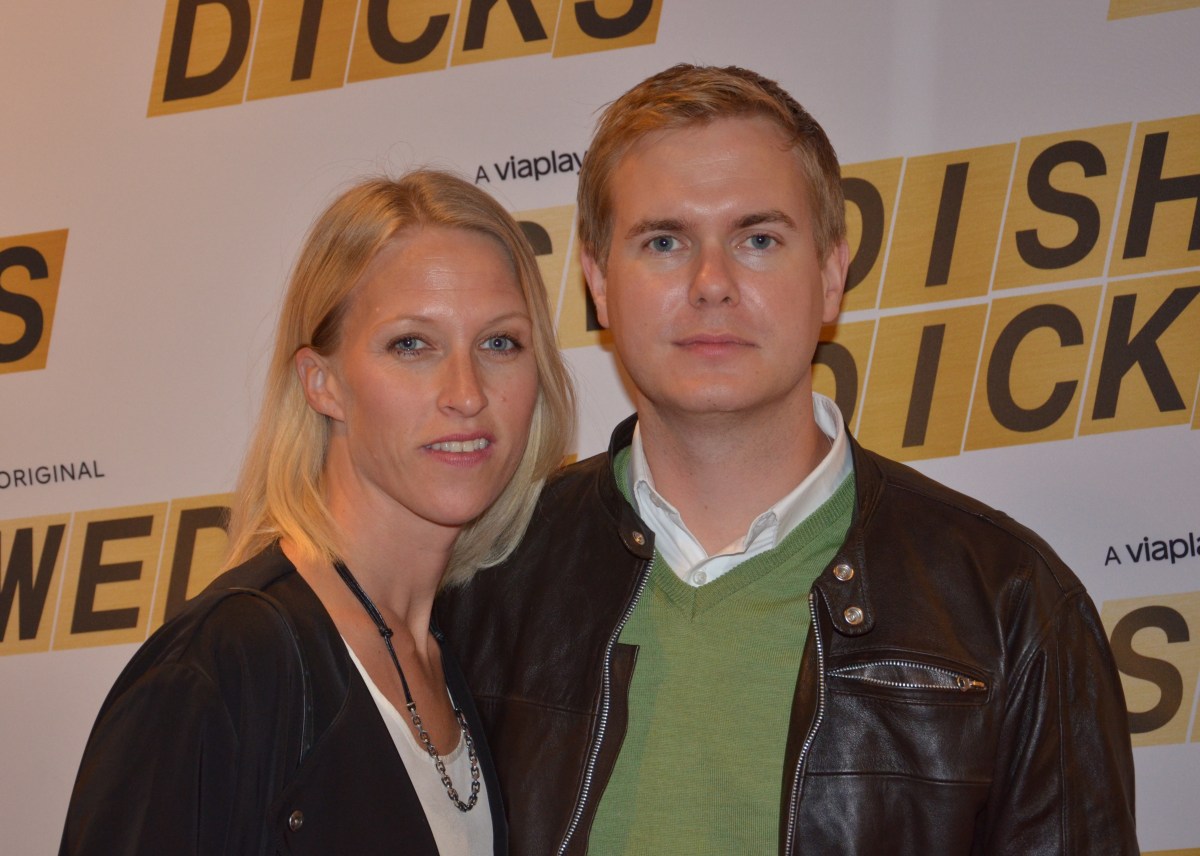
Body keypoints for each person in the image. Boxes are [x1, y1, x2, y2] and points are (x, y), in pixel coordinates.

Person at [436, 65, 1138, 854]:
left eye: (758, 240)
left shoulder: (1010, 605)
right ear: (598, 282)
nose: (711, 284)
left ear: (832, 276)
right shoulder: (485, 577)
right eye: (664, 242)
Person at [60, 170, 574, 855]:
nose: (467, 392)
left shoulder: (462, 655)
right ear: (322, 382)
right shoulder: (222, 667)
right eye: (412, 345)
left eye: (500, 342)